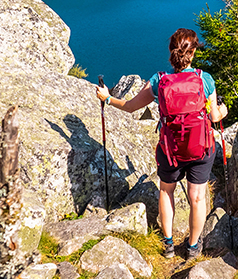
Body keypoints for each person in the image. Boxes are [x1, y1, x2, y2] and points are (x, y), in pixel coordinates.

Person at [95, 28, 228, 260]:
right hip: (201, 147)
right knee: (197, 198)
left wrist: (107, 97)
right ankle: (193, 247)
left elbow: (129, 106)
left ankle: (168, 245)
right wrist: (224, 109)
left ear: (171, 52)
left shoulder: (159, 81)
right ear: (193, 52)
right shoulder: (204, 80)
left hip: (170, 148)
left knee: (166, 191)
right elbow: (215, 117)